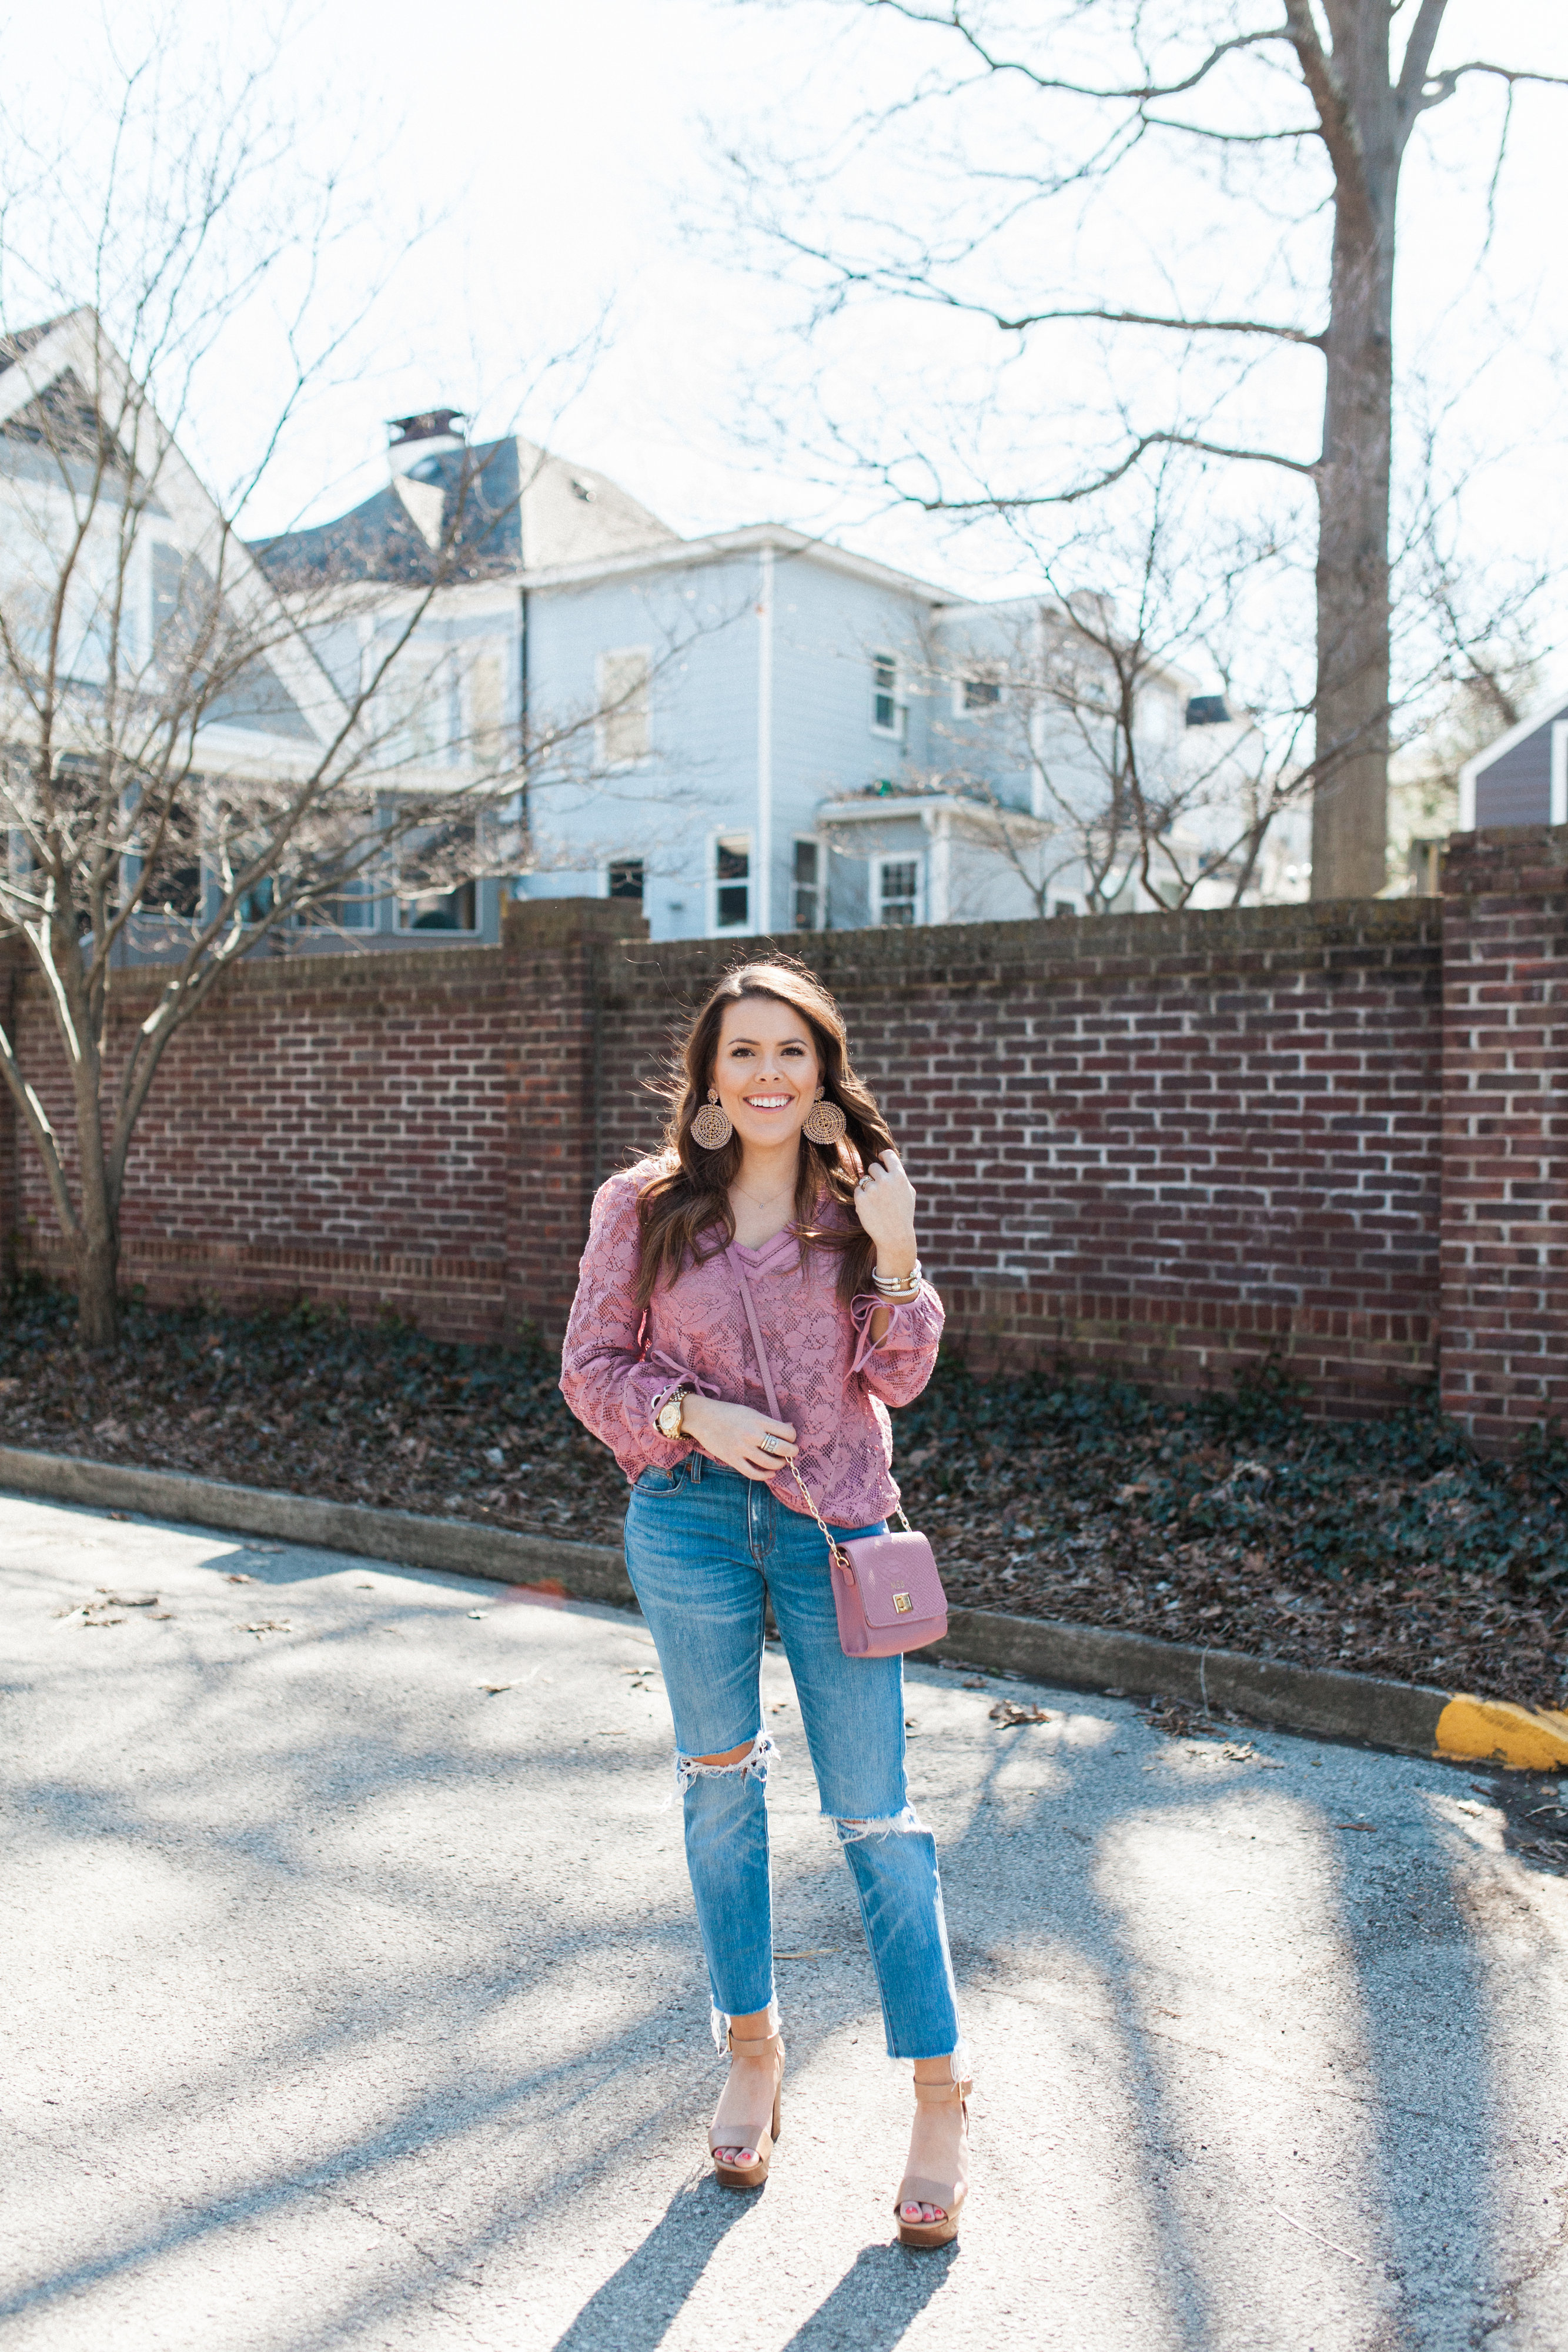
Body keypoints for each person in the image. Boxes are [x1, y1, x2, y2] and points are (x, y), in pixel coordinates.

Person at [560, 959, 970, 2249]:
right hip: (685, 1516)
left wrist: (896, 1252)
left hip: (837, 1530)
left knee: (874, 1811)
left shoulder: (856, 1207)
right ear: (707, 1075)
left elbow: (897, 1377)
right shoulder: (641, 1205)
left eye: (789, 1051)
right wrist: (691, 1411)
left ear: (822, 1070)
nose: (767, 1075)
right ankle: (750, 2047)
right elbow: (589, 1363)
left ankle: (939, 2088)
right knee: (718, 1779)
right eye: (741, 1052)